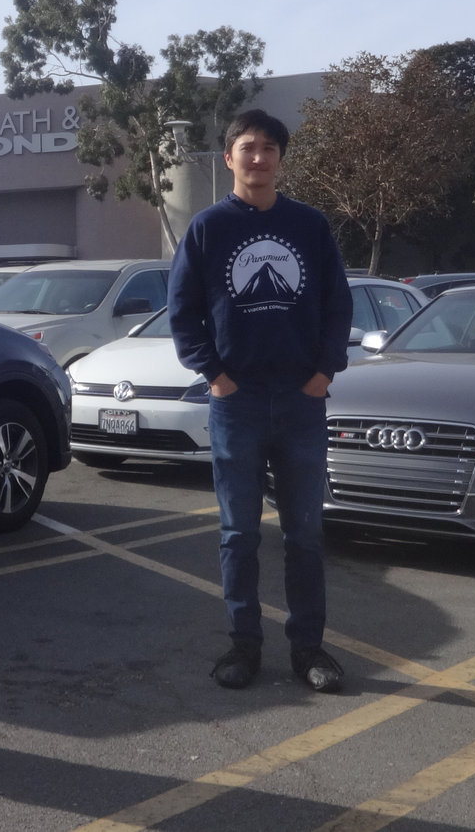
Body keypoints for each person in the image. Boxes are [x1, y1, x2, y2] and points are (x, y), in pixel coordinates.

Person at [167, 109, 353, 693]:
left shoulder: (309, 226)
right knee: (238, 534)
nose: (259, 157)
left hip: (301, 402)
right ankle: (243, 645)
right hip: (236, 403)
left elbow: (338, 305)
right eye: (248, 147)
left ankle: (308, 648)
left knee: (305, 535)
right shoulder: (207, 228)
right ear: (229, 158)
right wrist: (215, 377)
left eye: (269, 147)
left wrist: (322, 373)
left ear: (280, 159)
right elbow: (183, 313)